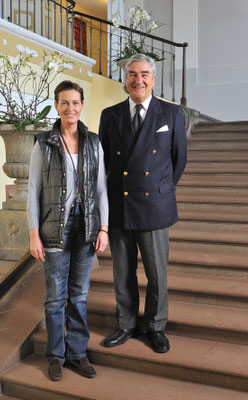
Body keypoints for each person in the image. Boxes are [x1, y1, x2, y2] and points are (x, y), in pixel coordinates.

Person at [99, 54, 187, 353]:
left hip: (154, 205)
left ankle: (155, 326)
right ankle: (125, 324)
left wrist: (160, 188)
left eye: (145, 74)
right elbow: (106, 161)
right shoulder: (110, 115)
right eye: (133, 74)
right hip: (120, 204)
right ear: (126, 79)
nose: (138, 79)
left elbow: (179, 160)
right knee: (122, 271)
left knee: (156, 273)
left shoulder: (172, 113)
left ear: (153, 78)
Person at [27, 80, 109, 381]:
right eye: (64, 103)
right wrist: (33, 234)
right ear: (57, 105)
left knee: (79, 296)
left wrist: (104, 228)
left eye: (75, 103)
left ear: (82, 105)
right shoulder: (43, 143)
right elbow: (34, 190)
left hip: (86, 228)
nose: (70, 108)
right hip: (53, 229)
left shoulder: (94, 143)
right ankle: (56, 356)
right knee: (54, 298)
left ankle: (78, 354)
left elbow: (101, 190)